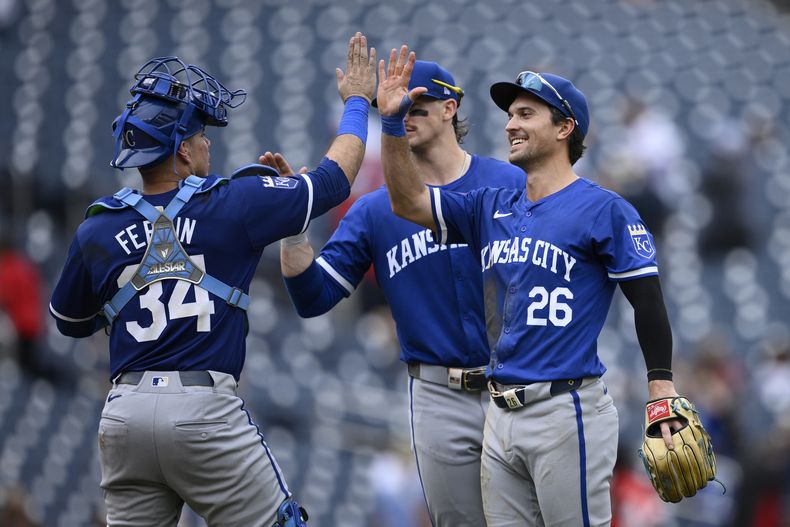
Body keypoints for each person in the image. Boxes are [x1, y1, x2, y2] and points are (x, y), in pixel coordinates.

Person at [48, 33, 376, 527]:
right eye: (201, 134)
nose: (207, 143)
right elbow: (334, 180)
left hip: (124, 415)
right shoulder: (234, 202)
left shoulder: (97, 225)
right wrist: (356, 101)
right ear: (182, 150)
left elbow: (69, 321)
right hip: (202, 410)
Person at [376, 46, 685, 526]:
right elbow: (407, 201)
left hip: (565, 410)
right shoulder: (488, 206)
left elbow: (647, 300)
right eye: (509, 114)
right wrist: (393, 125)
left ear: (565, 129)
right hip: (500, 416)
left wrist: (660, 391)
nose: (509, 124)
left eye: (526, 113)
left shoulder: (604, 209)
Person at [274, 59, 525, 526]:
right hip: (440, 396)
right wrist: (293, 235)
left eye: (414, 104)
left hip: (518, 381)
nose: (400, 113)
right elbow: (313, 299)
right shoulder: (374, 210)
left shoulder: (510, 183)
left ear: (450, 108)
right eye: (388, 107)